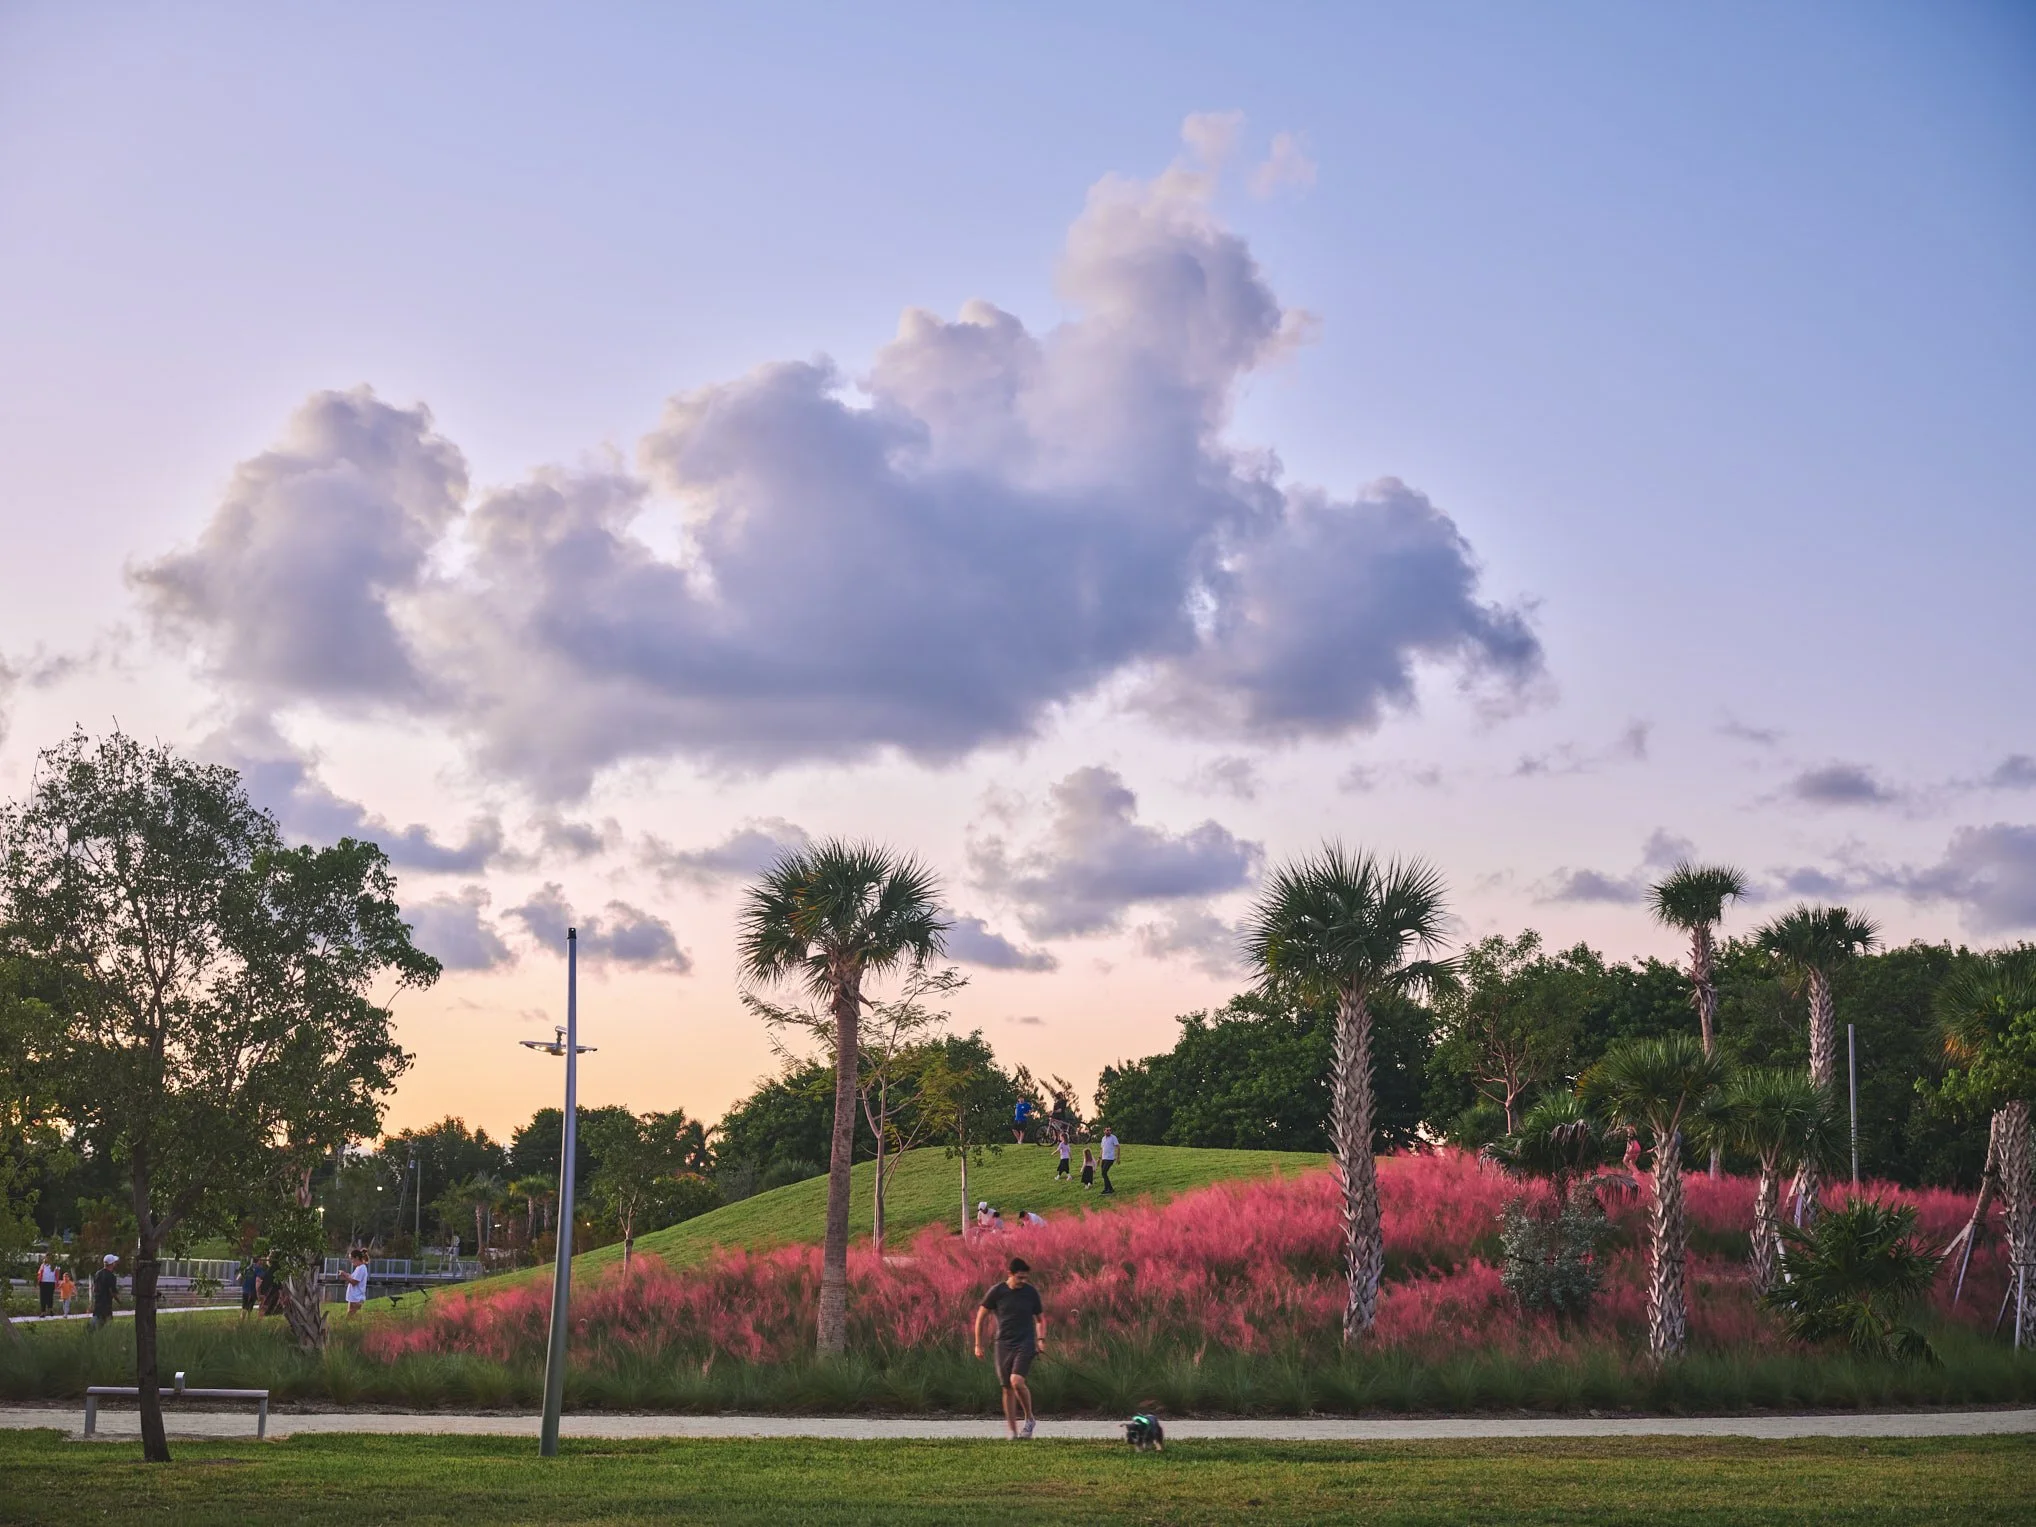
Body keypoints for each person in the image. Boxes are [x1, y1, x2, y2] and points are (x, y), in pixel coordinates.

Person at [974, 1256, 1046, 1440]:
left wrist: (1041, 1339)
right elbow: (981, 1317)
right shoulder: (997, 1291)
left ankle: (1029, 1419)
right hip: (1004, 1343)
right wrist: (978, 1344)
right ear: (1010, 1274)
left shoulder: (1030, 1292)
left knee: (1016, 1381)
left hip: (1026, 1341)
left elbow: (1040, 1319)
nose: (1023, 1281)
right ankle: (1012, 1431)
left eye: (1026, 1278)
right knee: (1006, 1387)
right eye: (1020, 1277)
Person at [92, 1253, 120, 1328]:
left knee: (95, 1322)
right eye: (114, 1262)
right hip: (106, 1304)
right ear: (112, 1264)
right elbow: (112, 1292)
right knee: (108, 1325)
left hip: (97, 1302)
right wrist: (119, 1302)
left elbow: (94, 1288)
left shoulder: (98, 1273)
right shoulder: (111, 1276)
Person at [344, 1248, 370, 1317]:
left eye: (352, 1259)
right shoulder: (358, 1268)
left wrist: (345, 1276)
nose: (351, 1261)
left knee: (350, 1317)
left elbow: (354, 1282)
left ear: (357, 1258)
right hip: (354, 1296)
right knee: (350, 1317)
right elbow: (353, 1278)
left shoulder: (361, 1268)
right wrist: (347, 1275)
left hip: (357, 1297)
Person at [1100, 1126, 1119, 1195]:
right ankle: (1106, 1189)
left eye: (1110, 1130)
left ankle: (1110, 1189)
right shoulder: (1103, 1138)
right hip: (1104, 1158)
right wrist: (1099, 1158)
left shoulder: (1113, 1137)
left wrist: (1118, 1157)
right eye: (1107, 1130)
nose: (1109, 1131)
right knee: (1103, 1174)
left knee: (1104, 1173)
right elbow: (1102, 1148)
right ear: (1104, 1131)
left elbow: (1118, 1147)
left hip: (1110, 1158)